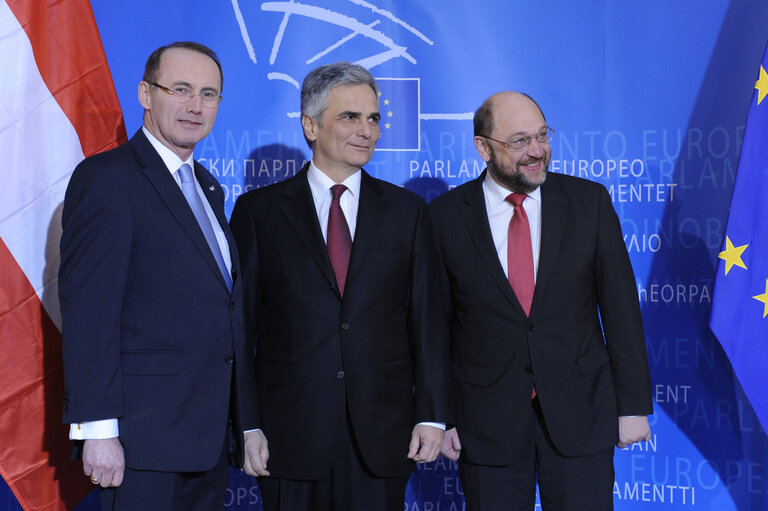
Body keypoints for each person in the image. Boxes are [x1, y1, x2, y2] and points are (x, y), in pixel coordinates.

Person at [229, 62, 451, 511]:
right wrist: (247, 424)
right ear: (311, 125)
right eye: (350, 117)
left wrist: (432, 414)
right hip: (287, 435)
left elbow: (428, 321)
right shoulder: (259, 213)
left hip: (382, 435)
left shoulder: (407, 212)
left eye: (373, 118)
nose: (366, 130)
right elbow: (240, 329)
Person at [59, 42, 269, 511]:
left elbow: (225, 313)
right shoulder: (107, 180)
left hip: (206, 441)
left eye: (209, 94)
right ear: (145, 94)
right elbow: (91, 313)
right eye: (180, 89)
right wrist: (98, 431)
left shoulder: (209, 187)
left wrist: (245, 421)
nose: (195, 105)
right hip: (140, 444)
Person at [429, 91, 653, 510]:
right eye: (519, 141)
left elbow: (621, 310)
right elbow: (436, 329)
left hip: (581, 414)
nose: (536, 151)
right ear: (483, 147)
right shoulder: (443, 218)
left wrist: (633, 406)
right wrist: (443, 417)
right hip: (485, 423)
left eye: (542, 135)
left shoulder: (589, 203)